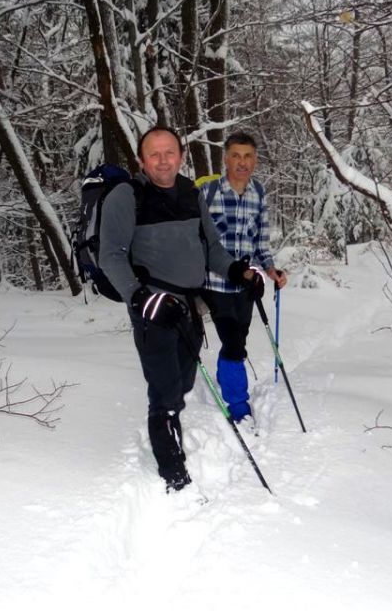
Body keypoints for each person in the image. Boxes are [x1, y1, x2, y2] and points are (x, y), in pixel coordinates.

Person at [99, 126, 258, 492]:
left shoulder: (190, 193)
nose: (163, 160)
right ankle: (174, 474)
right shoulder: (127, 196)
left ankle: (171, 427)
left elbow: (212, 248)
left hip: (189, 307)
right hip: (153, 310)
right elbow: (110, 255)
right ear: (141, 160)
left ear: (181, 156)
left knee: (184, 381)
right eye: (154, 154)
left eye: (169, 152)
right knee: (166, 391)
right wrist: (139, 298)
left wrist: (237, 270)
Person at [200, 131, 288, 425]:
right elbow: (196, 240)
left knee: (239, 337)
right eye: (236, 156)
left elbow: (260, 242)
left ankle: (227, 373)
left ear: (255, 160)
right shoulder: (208, 193)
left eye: (248, 156)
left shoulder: (258, 194)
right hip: (215, 281)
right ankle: (238, 404)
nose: (242, 162)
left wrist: (271, 269)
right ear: (225, 158)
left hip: (247, 282)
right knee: (234, 342)